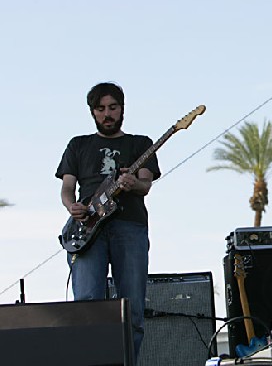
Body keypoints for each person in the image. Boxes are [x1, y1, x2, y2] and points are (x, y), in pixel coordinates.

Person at [56, 82, 161, 362]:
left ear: (122, 109)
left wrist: (133, 183)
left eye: (113, 107)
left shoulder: (140, 144)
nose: (107, 114)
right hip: (88, 229)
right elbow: (67, 187)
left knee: (133, 308)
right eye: (101, 109)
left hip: (130, 226)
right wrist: (71, 206)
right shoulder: (78, 145)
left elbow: (146, 185)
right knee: (88, 306)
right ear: (92, 112)